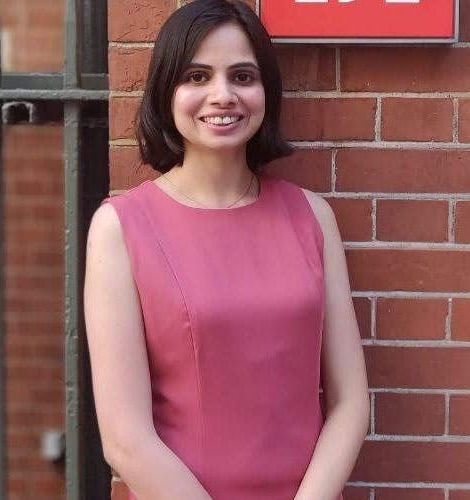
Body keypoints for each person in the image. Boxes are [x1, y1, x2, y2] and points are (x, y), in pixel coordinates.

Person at [84, 1, 370, 499]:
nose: (223, 95)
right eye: (197, 76)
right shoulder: (121, 226)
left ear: (265, 91)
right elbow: (125, 440)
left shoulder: (311, 217)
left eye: (242, 76)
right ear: (166, 91)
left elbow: (350, 403)